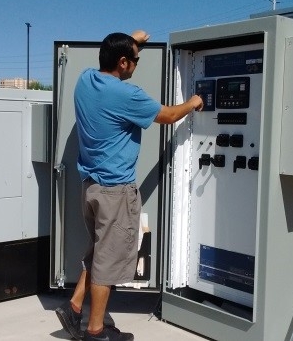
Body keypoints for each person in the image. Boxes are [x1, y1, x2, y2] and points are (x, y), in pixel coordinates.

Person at [55, 30, 203, 341]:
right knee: (108, 262)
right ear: (123, 63)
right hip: (115, 193)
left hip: (91, 189)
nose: (136, 63)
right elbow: (169, 115)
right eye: (134, 59)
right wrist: (192, 102)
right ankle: (96, 332)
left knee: (101, 249)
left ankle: (74, 306)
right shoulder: (127, 96)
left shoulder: (84, 80)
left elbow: (113, 51)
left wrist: (133, 40)